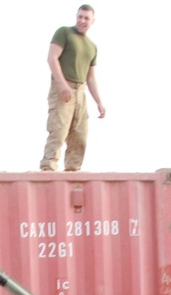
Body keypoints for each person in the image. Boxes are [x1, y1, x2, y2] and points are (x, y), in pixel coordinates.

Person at [40, 5, 106, 172]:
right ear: (76, 16)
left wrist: (99, 101)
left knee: (79, 135)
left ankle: (73, 172)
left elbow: (90, 77)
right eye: (80, 16)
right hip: (63, 85)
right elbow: (52, 58)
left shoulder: (92, 46)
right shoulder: (64, 33)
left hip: (80, 91)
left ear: (92, 21)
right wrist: (62, 85)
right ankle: (48, 169)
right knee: (58, 130)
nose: (82, 21)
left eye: (86, 18)